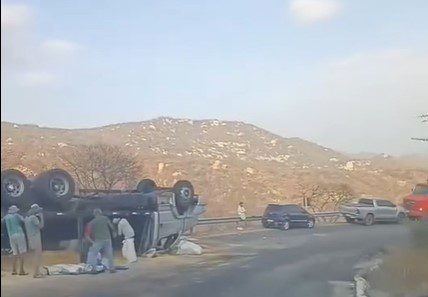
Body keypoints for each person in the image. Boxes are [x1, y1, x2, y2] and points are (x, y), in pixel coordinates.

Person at [85, 209, 117, 273]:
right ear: (101, 213)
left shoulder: (91, 222)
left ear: (94, 214)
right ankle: (112, 268)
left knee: (93, 254)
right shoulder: (105, 218)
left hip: (98, 240)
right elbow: (111, 226)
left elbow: (87, 235)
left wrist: (92, 242)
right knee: (109, 254)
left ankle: (93, 269)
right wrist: (114, 232)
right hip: (108, 239)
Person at [1, 205, 28, 275]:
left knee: (14, 253)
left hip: (11, 236)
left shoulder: (6, 217)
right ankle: (21, 270)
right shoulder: (17, 216)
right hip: (19, 234)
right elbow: (24, 221)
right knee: (22, 252)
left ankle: (14, 270)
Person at [25, 204, 44, 278]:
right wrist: (41, 217)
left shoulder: (26, 218)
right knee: (38, 255)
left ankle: (37, 271)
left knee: (34, 255)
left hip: (30, 238)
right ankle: (36, 273)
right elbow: (41, 226)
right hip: (36, 238)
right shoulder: (33, 218)